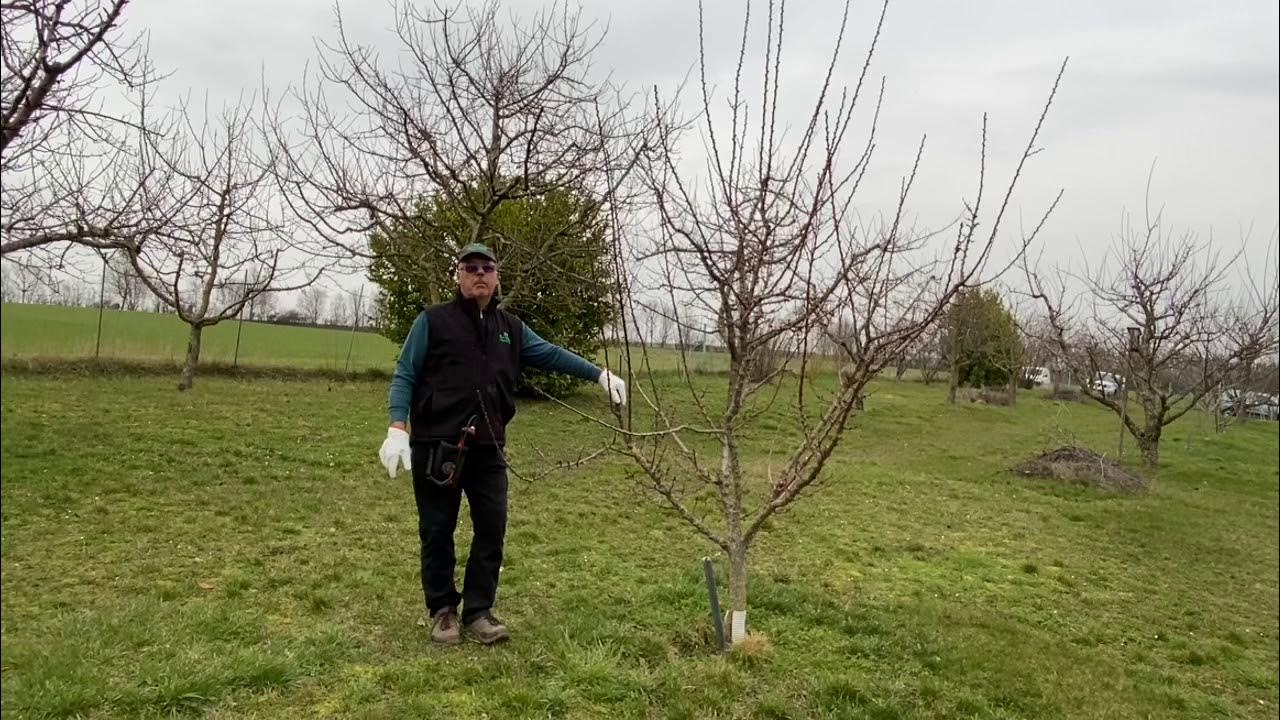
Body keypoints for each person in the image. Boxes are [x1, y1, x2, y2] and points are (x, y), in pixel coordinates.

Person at [378, 242, 627, 645]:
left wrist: (598, 374)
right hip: (437, 444)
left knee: (492, 527)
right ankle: (443, 611)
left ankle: (479, 611)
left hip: (487, 445)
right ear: (458, 275)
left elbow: (551, 354)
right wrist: (397, 427)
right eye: (470, 267)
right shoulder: (432, 321)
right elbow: (405, 372)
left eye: (487, 268)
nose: (479, 273)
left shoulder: (510, 329)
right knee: (437, 530)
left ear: (497, 277)